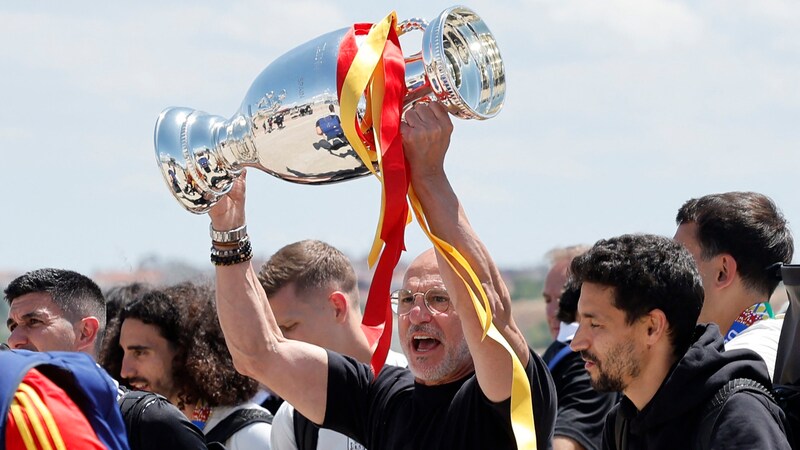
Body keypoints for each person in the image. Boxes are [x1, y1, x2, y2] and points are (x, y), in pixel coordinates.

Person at [206, 102, 557, 449]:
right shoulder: (383, 397)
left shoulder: (506, 396)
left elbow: (489, 315)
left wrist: (429, 176)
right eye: (406, 300)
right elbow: (257, 354)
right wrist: (228, 228)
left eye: (438, 299)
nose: (418, 315)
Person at [569, 234, 791, 448]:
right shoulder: (621, 426)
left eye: (595, 324)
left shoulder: (737, 418)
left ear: (652, 327)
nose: (576, 343)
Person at [4, 268, 207, 450]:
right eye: (13, 326)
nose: (14, 340)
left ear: (85, 332)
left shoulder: (150, 421)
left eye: (33, 322)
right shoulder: (13, 418)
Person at [257, 239, 407, 450]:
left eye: (289, 326)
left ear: (337, 307)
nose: (281, 342)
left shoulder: (419, 391)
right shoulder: (291, 418)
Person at [100, 282, 273, 450]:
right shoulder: (138, 434)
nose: (124, 371)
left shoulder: (250, 435)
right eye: (122, 353)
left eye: (140, 353)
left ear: (184, 352)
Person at [674, 192, 794, 379]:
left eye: (681, 261)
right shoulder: (783, 347)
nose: (671, 274)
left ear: (723, 272)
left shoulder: (730, 369)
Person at [540, 246, 616, 450]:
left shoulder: (586, 360)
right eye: (548, 299)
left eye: (566, 297)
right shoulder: (558, 353)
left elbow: (568, 442)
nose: (554, 310)